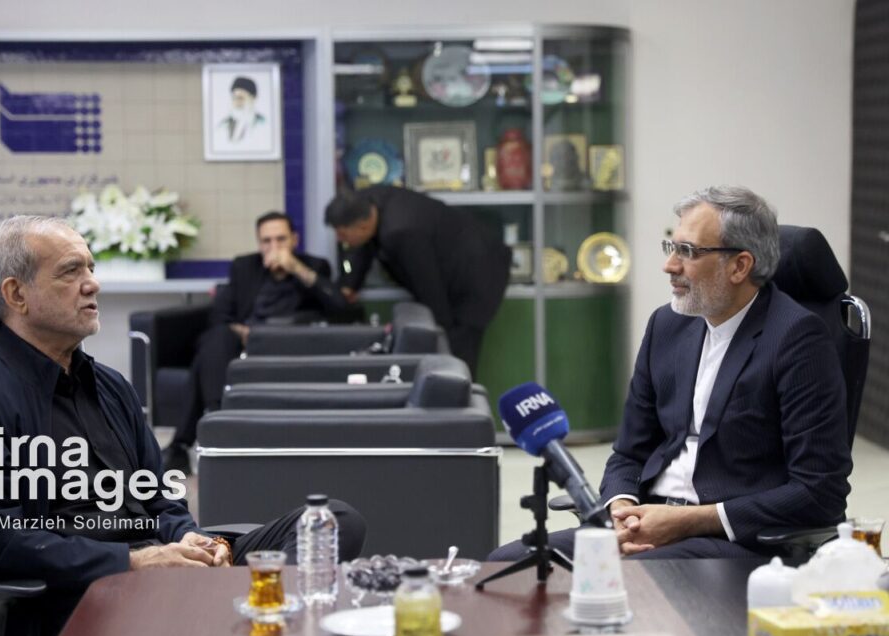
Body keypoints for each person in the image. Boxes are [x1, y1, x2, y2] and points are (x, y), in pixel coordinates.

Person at [0, 215, 366, 636]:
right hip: (68, 595)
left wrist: (189, 540)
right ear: (16, 294)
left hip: (154, 572)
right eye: (71, 271)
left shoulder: (110, 386)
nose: (92, 284)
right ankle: (231, 632)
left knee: (333, 521)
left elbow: (159, 496)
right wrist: (131, 563)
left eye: (91, 268)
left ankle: (229, 621)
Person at [490, 185, 851, 561]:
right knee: (506, 563)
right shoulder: (668, 325)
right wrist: (620, 508)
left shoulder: (796, 338)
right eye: (671, 247)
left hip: (731, 540)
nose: (670, 265)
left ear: (740, 266)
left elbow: (819, 491)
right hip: (647, 522)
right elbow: (629, 452)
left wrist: (687, 521)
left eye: (688, 252)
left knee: (633, 578)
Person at [160, 211, 352, 471]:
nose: (274, 247)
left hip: (289, 343)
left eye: (281, 239)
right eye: (266, 241)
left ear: (294, 240)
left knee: (203, 361)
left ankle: (184, 444)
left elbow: (340, 308)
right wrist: (242, 332)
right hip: (245, 342)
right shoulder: (245, 267)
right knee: (214, 340)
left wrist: (296, 268)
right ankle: (216, 416)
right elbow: (219, 316)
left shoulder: (314, 266)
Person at [324, 186, 511, 377]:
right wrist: (350, 284)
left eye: (343, 234)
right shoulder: (366, 202)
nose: (340, 240)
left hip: (476, 276)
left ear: (363, 225)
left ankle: (458, 390)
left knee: (456, 353)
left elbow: (430, 290)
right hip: (453, 264)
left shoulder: (402, 232)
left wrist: (441, 333)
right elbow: (364, 247)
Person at [218, 75, 266, 144]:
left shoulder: (262, 124)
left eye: (240, 98)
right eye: (234, 98)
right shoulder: (224, 125)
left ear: (253, 98)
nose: (236, 103)